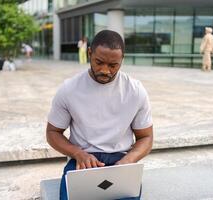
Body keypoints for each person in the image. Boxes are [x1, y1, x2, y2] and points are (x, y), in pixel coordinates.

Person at [46, 30, 153, 200]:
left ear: (122, 60)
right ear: (89, 53)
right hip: (83, 159)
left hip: (121, 159)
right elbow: (53, 132)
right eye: (99, 62)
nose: (105, 70)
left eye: (113, 65)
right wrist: (78, 154)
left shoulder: (135, 91)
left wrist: (129, 160)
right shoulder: (69, 89)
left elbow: (146, 137)